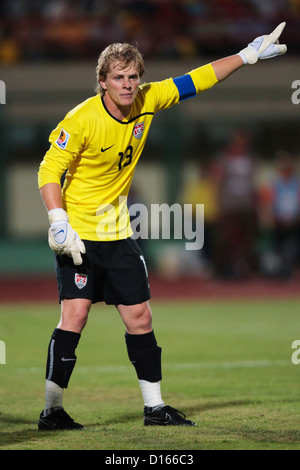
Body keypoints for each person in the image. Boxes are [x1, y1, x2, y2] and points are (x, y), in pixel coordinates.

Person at [37, 23, 287, 430]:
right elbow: (49, 169)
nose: (128, 84)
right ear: (102, 82)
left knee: (141, 318)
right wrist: (58, 220)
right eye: (118, 77)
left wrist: (247, 55)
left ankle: (154, 408)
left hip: (118, 232)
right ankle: (52, 410)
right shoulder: (81, 118)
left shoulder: (148, 100)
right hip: (78, 234)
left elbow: (198, 79)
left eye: (133, 76)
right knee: (75, 316)